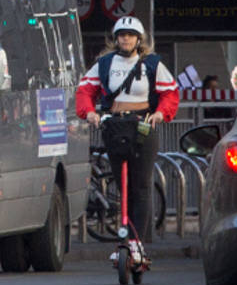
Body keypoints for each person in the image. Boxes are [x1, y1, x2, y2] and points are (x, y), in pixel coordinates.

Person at [75, 15, 179, 246]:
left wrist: (161, 113)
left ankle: (136, 243)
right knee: (124, 187)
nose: (126, 39)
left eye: (131, 35)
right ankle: (126, 235)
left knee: (140, 186)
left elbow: (170, 93)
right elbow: (84, 90)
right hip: (114, 125)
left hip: (143, 126)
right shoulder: (104, 63)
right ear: (116, 38)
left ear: (138, 39)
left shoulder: (152, 64)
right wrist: (90, 113)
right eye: (122, 35)